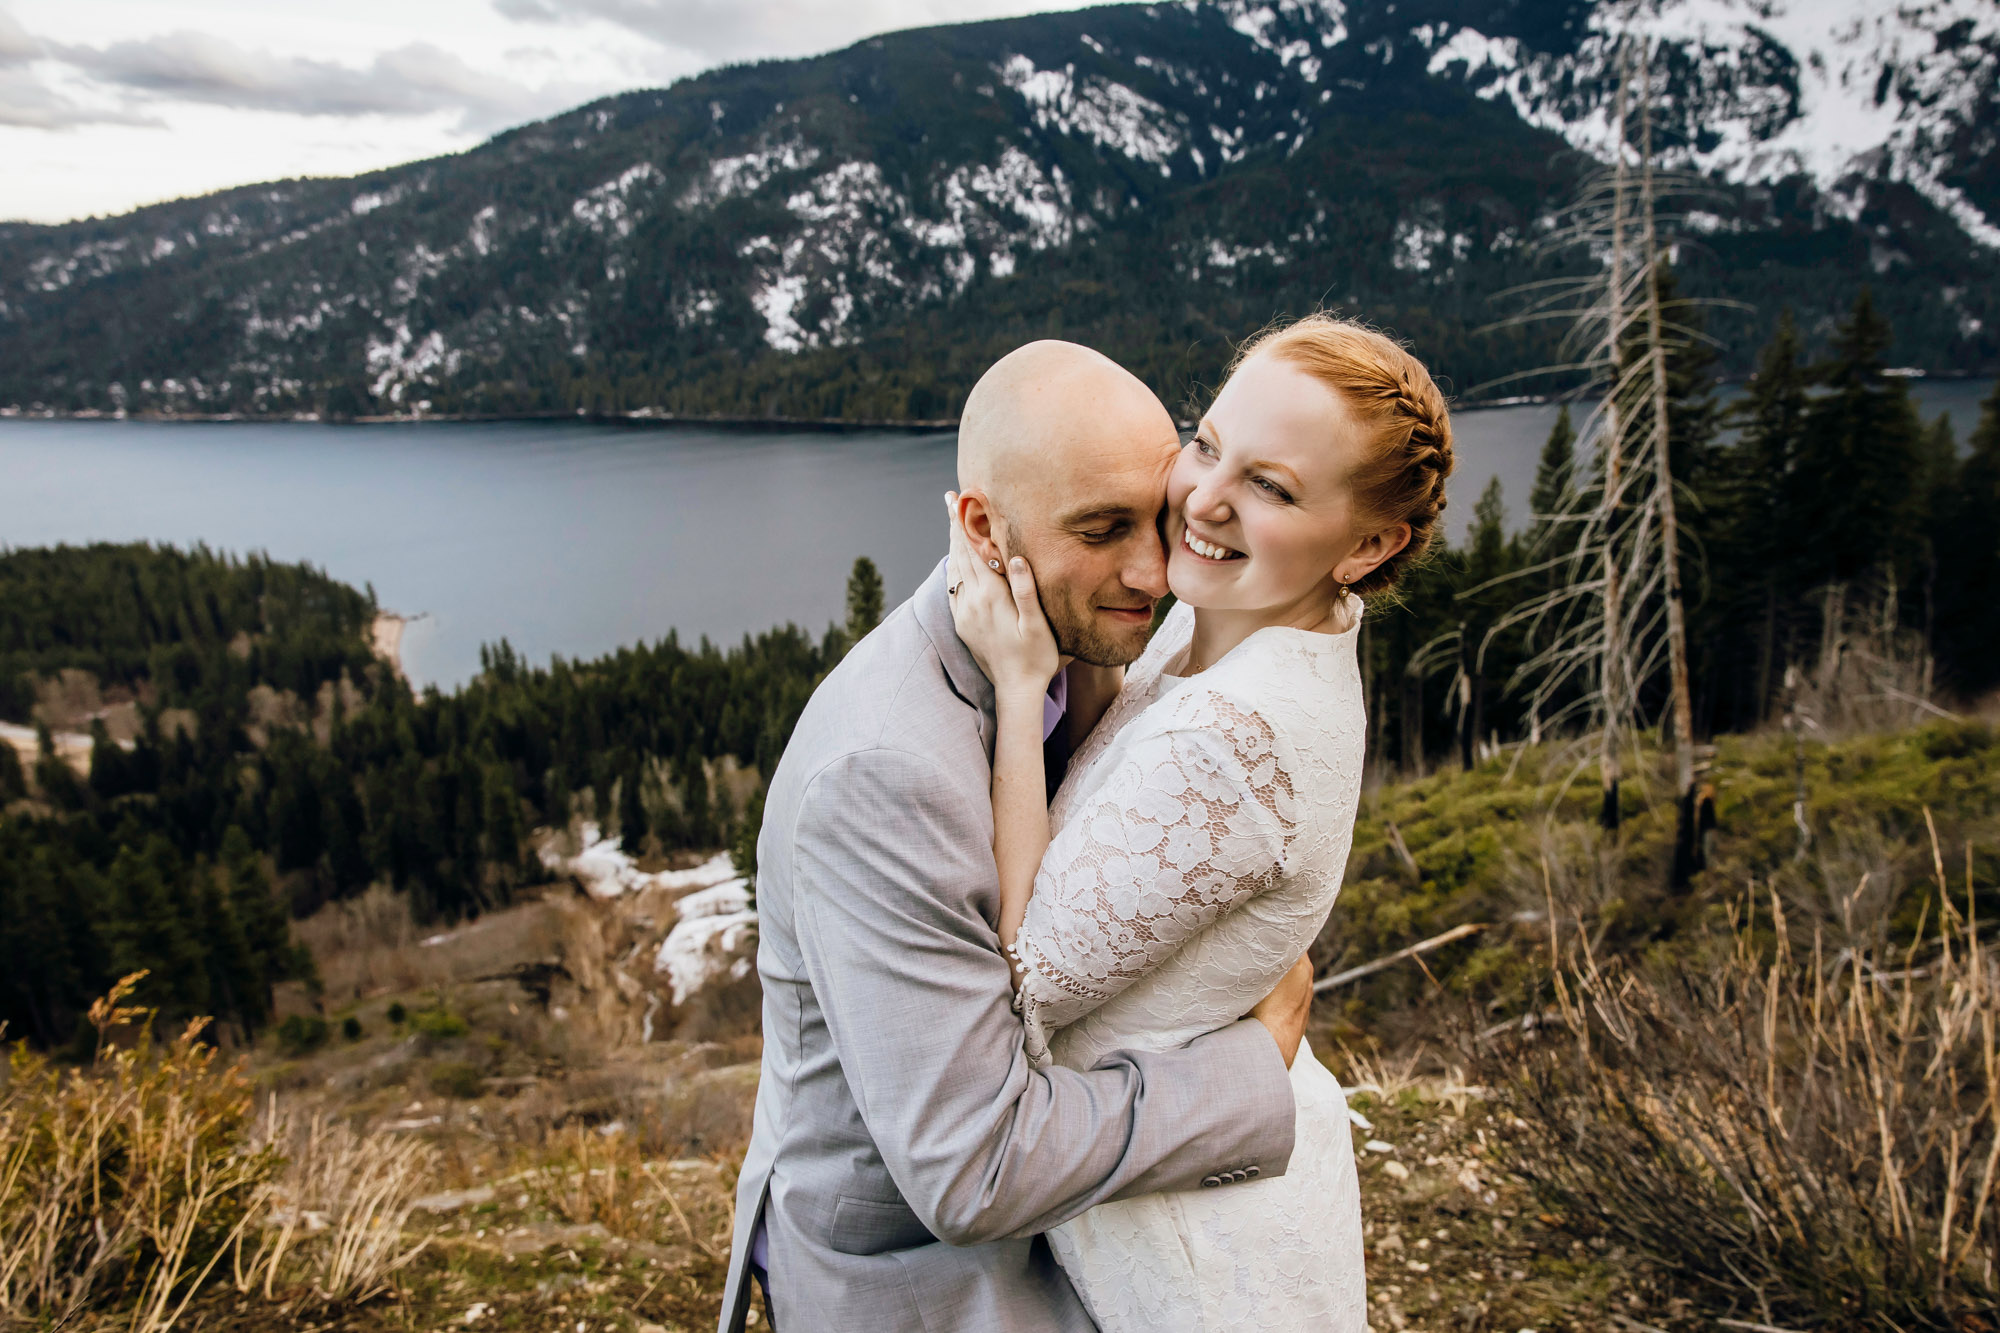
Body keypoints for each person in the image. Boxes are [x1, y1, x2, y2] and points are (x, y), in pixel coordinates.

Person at [718, 340, 1317, 1333]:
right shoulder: (882, 774)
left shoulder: (1060, 644)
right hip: (923, 1287)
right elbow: (973, 1163)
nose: (1149, 569)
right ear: (981, 528)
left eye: (1159, 518)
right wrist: (1252, 1067)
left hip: (1055, 1243)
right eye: (1100, 528)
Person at [944, 313, 1454, 1330]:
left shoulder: (1236, 732)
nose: (1203, 501)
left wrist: (1015, 693)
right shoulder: (1242, 612)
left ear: (1367, 543)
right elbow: (1126, 754)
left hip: (1195, 1264)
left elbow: (1015, 990)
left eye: (1271, 486)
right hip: (1197, 1190)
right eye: (1208, 443)